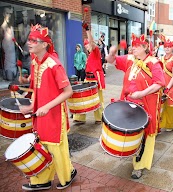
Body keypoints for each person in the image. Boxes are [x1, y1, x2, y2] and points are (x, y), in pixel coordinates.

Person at [19, 24, 76, 191]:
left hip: (55, 114)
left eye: (34, 40)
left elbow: (68, 91)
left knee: (57, 149)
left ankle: (67, 176)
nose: (29, 43)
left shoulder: (54, 64)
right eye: (29, 39)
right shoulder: (34, 62)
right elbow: (37, 89)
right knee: (41, 146)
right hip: (40, 113)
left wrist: (47, 107)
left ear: (44, 44)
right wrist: (32, 105)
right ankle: (41, 180)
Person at [106, 33, 165, 179]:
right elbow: (111, 60)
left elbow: (159, 83)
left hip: (146, 103)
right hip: (129, 102)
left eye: (137, 46)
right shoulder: (130, 58)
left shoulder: (154, 62)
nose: (133, 48)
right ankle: (133, 152)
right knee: (132, 131)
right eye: (133, 45)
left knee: (146, 134)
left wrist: (141, 93)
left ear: (145, 47)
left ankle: (140, 165)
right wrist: (112, 52)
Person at [73, 22, 105, 124]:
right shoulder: (89, 55)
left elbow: (92, 43)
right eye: (85, 45)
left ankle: (99, 117)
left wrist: (87, 30)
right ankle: (80, 117)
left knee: (98, 99)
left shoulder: (96, 52)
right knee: (83, 97)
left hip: (95, 79)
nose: (87, 47)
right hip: (88, 78)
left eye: (88, 45)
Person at [159, 36, 173, 132]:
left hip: (171, 85)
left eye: (169, 46)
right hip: (161, 85)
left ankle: (170, 124)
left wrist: (168, 87)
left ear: (172, 48)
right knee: (160, 105)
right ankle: (159, 124)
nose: (167, 48)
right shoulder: (161, 59)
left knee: (171, 106)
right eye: (166, 46)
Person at [0, 7, 17, 81]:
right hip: (7, 64)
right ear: (4, 14)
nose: (9, 15)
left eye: (10, 14)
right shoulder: (2, 29)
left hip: (15, 63)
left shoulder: (12, 28)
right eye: (7, 13)